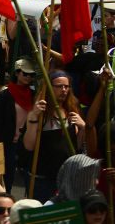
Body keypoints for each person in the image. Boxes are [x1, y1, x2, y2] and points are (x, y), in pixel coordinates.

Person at [21, 71, 84, 202]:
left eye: (66, 87)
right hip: (43, 180)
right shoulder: (41, 113)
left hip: (66, 178)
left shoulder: (72, 109)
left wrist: (83, 127)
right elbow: (29, 145)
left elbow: (77, 145)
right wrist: (33, 118)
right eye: (59, 86)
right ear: (49, 87)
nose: (64, 90)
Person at [0, 58, 36, 192]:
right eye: (25, 74)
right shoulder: (5, 95)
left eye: (31, 75)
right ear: (17, 73)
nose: (28, 77)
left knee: (29, 178)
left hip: (27, 143)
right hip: (9, 143)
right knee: (8, 178)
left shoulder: (35, 95)